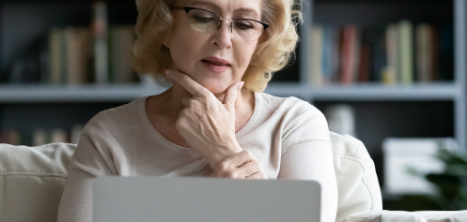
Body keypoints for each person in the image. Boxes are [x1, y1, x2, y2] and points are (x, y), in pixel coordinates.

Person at [57, 0, 338, 221]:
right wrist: (206, 205)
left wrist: (224, 149)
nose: (224, 39)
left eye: (244, 24)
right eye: (203, 17)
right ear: (164, 26)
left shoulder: (294, 123)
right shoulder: (108, 134)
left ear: (261, 40)